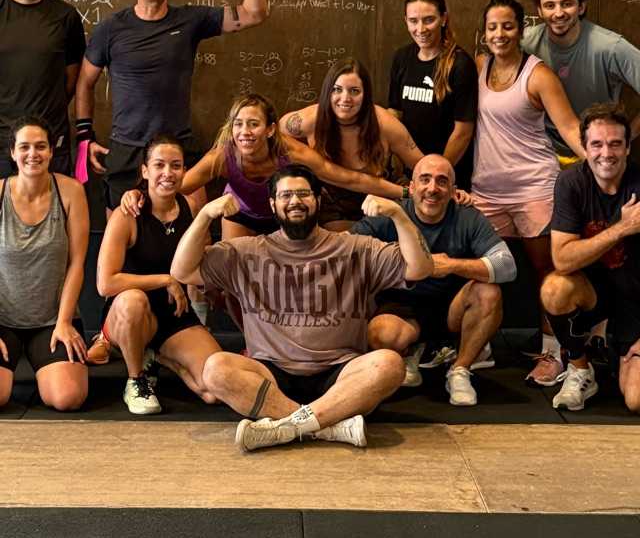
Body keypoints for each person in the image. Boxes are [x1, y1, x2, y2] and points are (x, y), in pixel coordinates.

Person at [170, 164, 433, 451]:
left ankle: (286, 427)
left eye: (303, 194)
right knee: (215, 369)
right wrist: (205, 216)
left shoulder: (356, 248)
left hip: (340, 373)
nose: (295, 201)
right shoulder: (246, 251)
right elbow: (182, 271)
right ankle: (327, 427)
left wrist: (398, 215)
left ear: (318, 200)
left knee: (389, 364)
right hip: (271, 374)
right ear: (273, 204)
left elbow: (420, 268)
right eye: (285, 195)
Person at [75, 0, 269, 209]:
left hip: (178, 147)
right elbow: (85, 82)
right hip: (126, 150)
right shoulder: (110, 29)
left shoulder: (191, 20)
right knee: (121, 231)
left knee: (194, 231)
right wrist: (84, 136)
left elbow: (254, 13)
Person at [473, 0, 584, 386]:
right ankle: (476, 346)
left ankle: (553, 353)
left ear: (521, 30)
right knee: (480, 271)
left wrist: (603, 164)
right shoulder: (479, 67)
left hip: (534, 187)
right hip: (486, 191)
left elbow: (569, 127)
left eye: (508, 26)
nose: (499, 34)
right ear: (484, 32)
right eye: (492, 27)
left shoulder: (538, 75)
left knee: (547, 272)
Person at [121, 93, 409, 240]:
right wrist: (138, 194)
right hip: (241, 215)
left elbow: (348, 179)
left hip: (284, 216)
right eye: (239, 124)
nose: (245, 132)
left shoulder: (291, 152)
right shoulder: (222, 156)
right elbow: (175, 184)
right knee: (232, 280)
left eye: (253, 124)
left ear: (270, 129)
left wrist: (404, 193)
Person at [352, 154, 516, 404]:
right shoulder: (390, 213)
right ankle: (410, 353)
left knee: (488, 292)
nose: (432, 188)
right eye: (425, 179)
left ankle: (460, 370)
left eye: (442, 181)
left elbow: (507, 266)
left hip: (452, 309)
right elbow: (345, 252)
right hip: (402, 309)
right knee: (382, 333)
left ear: (453, 190)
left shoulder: (467, 216)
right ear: (411, 187)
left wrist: (450, 265)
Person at [95, 134, 222, 414]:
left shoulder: (190, 208)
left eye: (175, 166)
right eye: (159, 165)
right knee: (133, 300)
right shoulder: (127, 213)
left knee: (213, 389)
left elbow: (200, 263)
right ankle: (136, 379)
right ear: (145, 171)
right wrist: (166, 280)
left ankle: (158, 356)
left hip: (173, 314)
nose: (168, 172)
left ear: (184, 171)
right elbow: (105, 284)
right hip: (129, 313)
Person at [541, 103, 640, 412]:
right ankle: (580, 368)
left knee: (636, 400)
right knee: (554, 289)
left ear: (627, 147)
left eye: (615, 144)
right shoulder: (571, 182)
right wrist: (622, 228)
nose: (605, 153)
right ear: (584, 148)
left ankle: (614, 350)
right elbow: (562, 259)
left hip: (635, 299)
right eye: (597, 144)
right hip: (593, 293)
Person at [0, 117, 89, 410]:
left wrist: (64, 322)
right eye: (24, 147)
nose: (32, 154)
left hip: (53, 320)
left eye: (40, 146)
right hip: (3, 320)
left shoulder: (71, 191)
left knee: (67, 398)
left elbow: (77, 263)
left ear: (51, 151)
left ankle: (46, 372)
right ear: (13, 152)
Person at [280, 58, 424, 230]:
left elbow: (424, 166)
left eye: (354, 91)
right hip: (333, 204)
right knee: (342, 240)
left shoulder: (386, 125)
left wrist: (425, 190)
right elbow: (274, 132)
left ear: (366, 95)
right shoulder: (308, 120)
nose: (345, 98)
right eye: (337, 90)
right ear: (327, 92)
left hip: (382, 197)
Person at [522, 0, 640, 163]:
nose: (558, 13)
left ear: (582, 7)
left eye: (567, 4)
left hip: (596, 156)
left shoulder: (610, 47)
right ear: (539, 11)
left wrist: (628, 137)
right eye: (550, 5)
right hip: (541, 155)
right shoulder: (525, 43)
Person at [0, 0, 86, 177]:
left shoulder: (66, 17)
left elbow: (72, 80)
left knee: (56, 203)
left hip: (51, 146)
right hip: (2, 146)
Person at [388, 0, 478, 189]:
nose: (421, 29)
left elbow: (463, 132)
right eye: (413, 21)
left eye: (429, 20)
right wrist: (399, 165)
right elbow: (394, 114)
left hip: (446, 179)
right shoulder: (401, 58)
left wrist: (434, 177)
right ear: (406, 21)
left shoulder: (460, 65)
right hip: (409, 178)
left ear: (443, 19)